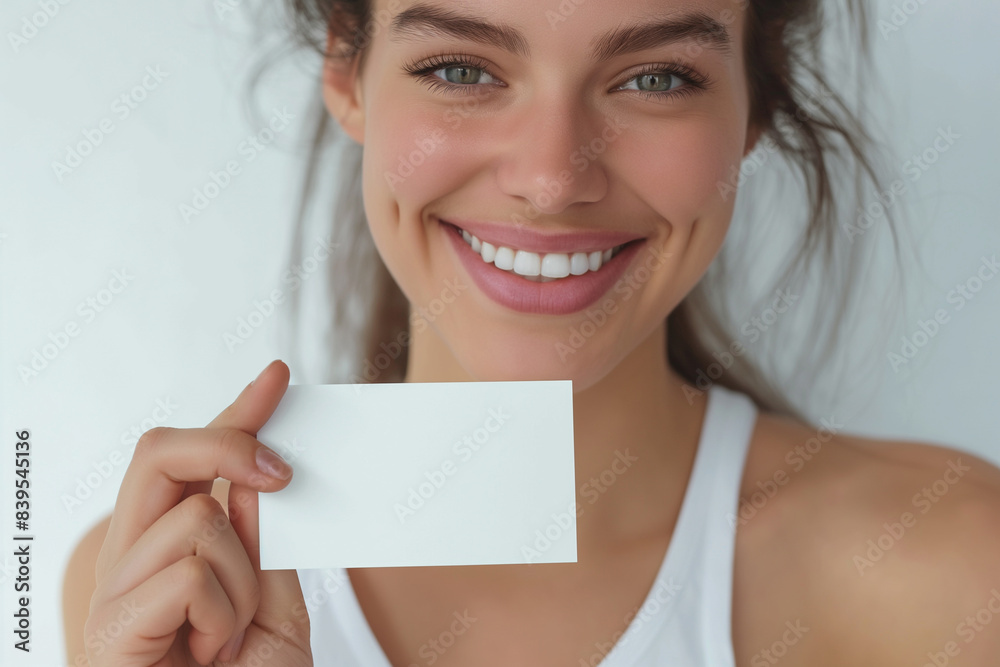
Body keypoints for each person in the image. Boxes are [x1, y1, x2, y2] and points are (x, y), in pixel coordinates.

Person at [63, 0, 1000, 665]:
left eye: (658, 77)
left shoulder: (958, 569)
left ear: (752, 105)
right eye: (461, 68)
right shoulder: (161, 588)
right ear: (349, 74)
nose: (552, 178)